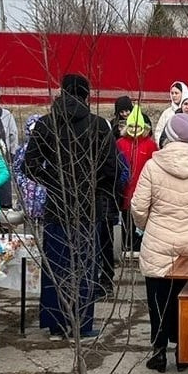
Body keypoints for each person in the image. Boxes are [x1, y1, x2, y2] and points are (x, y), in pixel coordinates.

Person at [23, 74, 119, 340]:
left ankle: (56, 324)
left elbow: (29, 165)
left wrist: (53, 182)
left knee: (57, 265)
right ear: (86, 95)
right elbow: (111, 168)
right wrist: (94, 187)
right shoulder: (98, 125)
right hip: (88, 208)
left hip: (57, 207)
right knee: (85, 268)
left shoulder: (46, 124)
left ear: (62, 93)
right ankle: (82, 324)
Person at [132, 112, 188, 372]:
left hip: (158, 241)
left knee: (158, 299)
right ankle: (184, 353)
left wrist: (147, 226)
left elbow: (138, 207)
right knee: (187, 299)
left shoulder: (153, 165)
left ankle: (159, 352)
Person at [117, 106, 157, 255]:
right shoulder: (120, 143)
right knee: (126, 219)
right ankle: (126, 249)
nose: (134, 130)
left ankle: (141, 250)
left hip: (143, 189)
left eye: (137, 127)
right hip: (125, 190)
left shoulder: (150, 145)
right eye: (131, 126)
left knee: (142, 221)